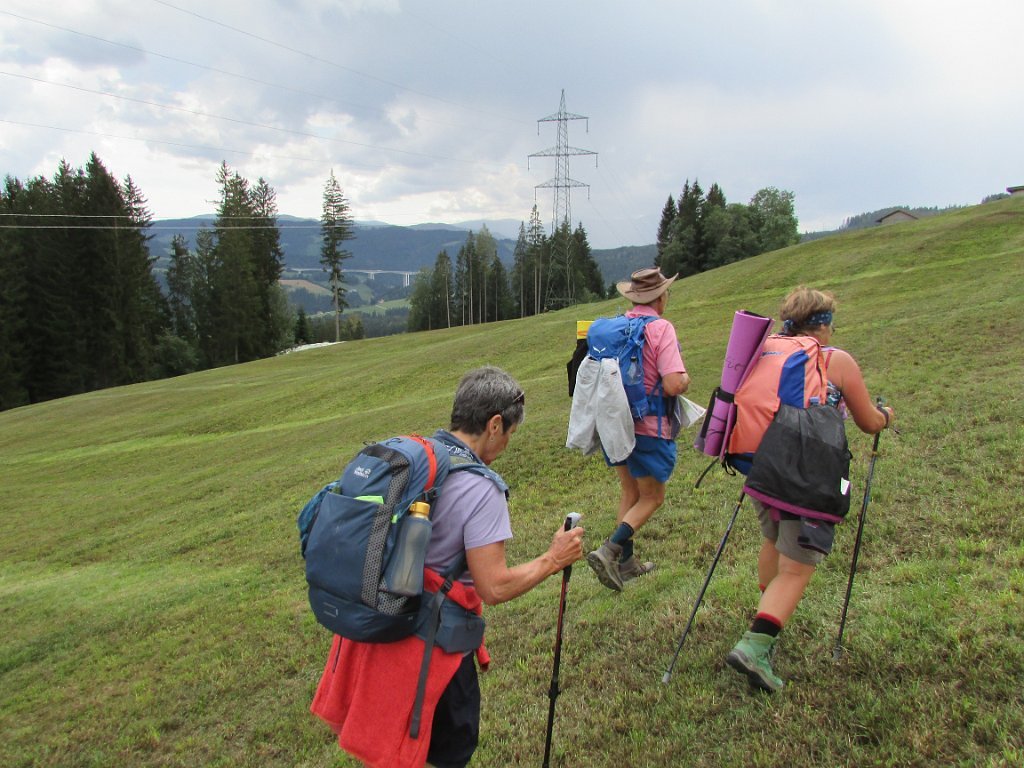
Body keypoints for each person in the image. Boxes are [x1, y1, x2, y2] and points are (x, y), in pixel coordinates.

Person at [310, 366, 585, 768]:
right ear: (494, 424)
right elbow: (494, 587)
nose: (508, 443)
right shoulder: (482, 489)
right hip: (429, 646)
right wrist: (553, 559)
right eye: (510, 432)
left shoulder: (418, 460)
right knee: (449, 753)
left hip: (376, 622)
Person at [725, 287, 896, 692]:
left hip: (762, 466)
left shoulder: (766, 350)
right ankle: (755, 646)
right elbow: (868, 421)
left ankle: (765, 619)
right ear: (823, 324)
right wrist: (887, 416)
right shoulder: (835, 360)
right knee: (798, 566)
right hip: (806, 474)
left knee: (773, 540)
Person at [586, 268, 691, 591]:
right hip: (648, 426)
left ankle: (627, 565)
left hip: (614, 424)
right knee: (652, 497)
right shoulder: (661, 328)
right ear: (661, 297)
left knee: (630, 492)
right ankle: (609, 550)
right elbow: (673, 384)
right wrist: (685, 379)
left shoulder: (617, 327)